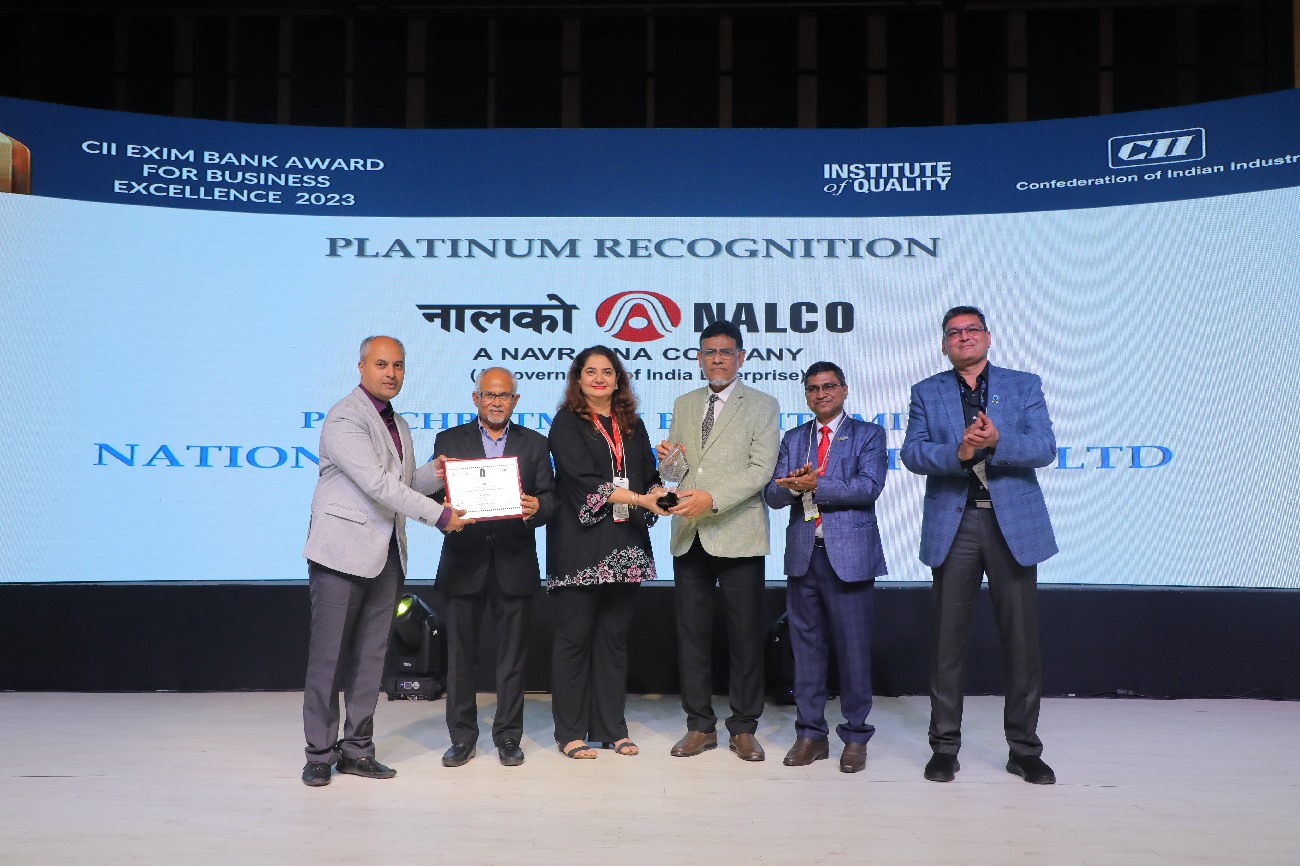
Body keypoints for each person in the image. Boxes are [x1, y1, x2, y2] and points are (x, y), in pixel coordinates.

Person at [300, 335, 470, 787]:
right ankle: (319, 753)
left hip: (386, 553)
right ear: (361, 367)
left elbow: (402, 484)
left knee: (371, 657)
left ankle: (357, 750)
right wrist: (441, 515)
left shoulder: (399, 423)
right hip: (340, 554)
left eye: (398, 365)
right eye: (381, 364)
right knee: (328, 659)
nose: (391, 373)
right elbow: (377, 484)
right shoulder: (344, 417)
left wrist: (436, 473)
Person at [900, 306, 1059, 785]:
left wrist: (998, 440)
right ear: (944, 344)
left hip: (1014, 525)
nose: (964, 337)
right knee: (947, 645)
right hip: (956, 523)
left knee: (1022, 645)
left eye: (972, 330)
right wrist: (961, 451)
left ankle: (1024, 750)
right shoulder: (926, 391)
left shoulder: (1023, 385)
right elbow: (912, 453)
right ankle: (944, 747)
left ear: (988, 337)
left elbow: (1045, 448)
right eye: (954, 332)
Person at [657, 320, 780, 762]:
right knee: (691, 635)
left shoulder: (763, 404)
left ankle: (744, 727)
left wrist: (711, 499)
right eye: (709, 352)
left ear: (741, 357)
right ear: (699, 358)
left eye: (726, 352)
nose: (717, 359)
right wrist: (668, 465)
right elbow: (677, 473)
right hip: (689, 534)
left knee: (745, 636)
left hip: (738, 531)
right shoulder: (685, 403)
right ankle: (699, 726)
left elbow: (760, 469)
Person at [763, 361, 887, 774]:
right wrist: (791, 486)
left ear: (844, 390)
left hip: (849, 557)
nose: (821, 394)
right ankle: (810, 735)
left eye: (829, 386)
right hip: (804, 556)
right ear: (806, 395)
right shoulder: (795, 438)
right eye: (813, 389)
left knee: (853, 652)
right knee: (806, 651)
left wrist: (817, 484)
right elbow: (772, 495)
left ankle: (855, 736)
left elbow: (869, 487)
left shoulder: (868, 434)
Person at [546, 346, 668, 759]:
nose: (599, 378)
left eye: (608, 372)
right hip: (580, 545)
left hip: (625, 544)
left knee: (613, 640)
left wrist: (661, 488)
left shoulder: (632, 423)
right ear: (578, 379)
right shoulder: (566, 422)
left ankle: (612, 728)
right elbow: (581, 480)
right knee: (573, 641)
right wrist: (641, 498)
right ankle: (569, 732)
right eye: (591, 371)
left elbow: (648, 474)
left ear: (619, 380)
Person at [432, 367, 557, 768]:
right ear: (476, 398)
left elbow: (551, 498)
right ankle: (462, 738)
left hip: (513, 563)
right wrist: (443, 507)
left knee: (512, 659)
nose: (496, 402)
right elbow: (432, 496)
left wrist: (537, 507)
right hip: (463, 562)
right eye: (489, 394)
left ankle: (508, 736)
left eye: (504, 395)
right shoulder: (449, 441)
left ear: (515, 401)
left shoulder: (535, 443)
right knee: (459, 659)